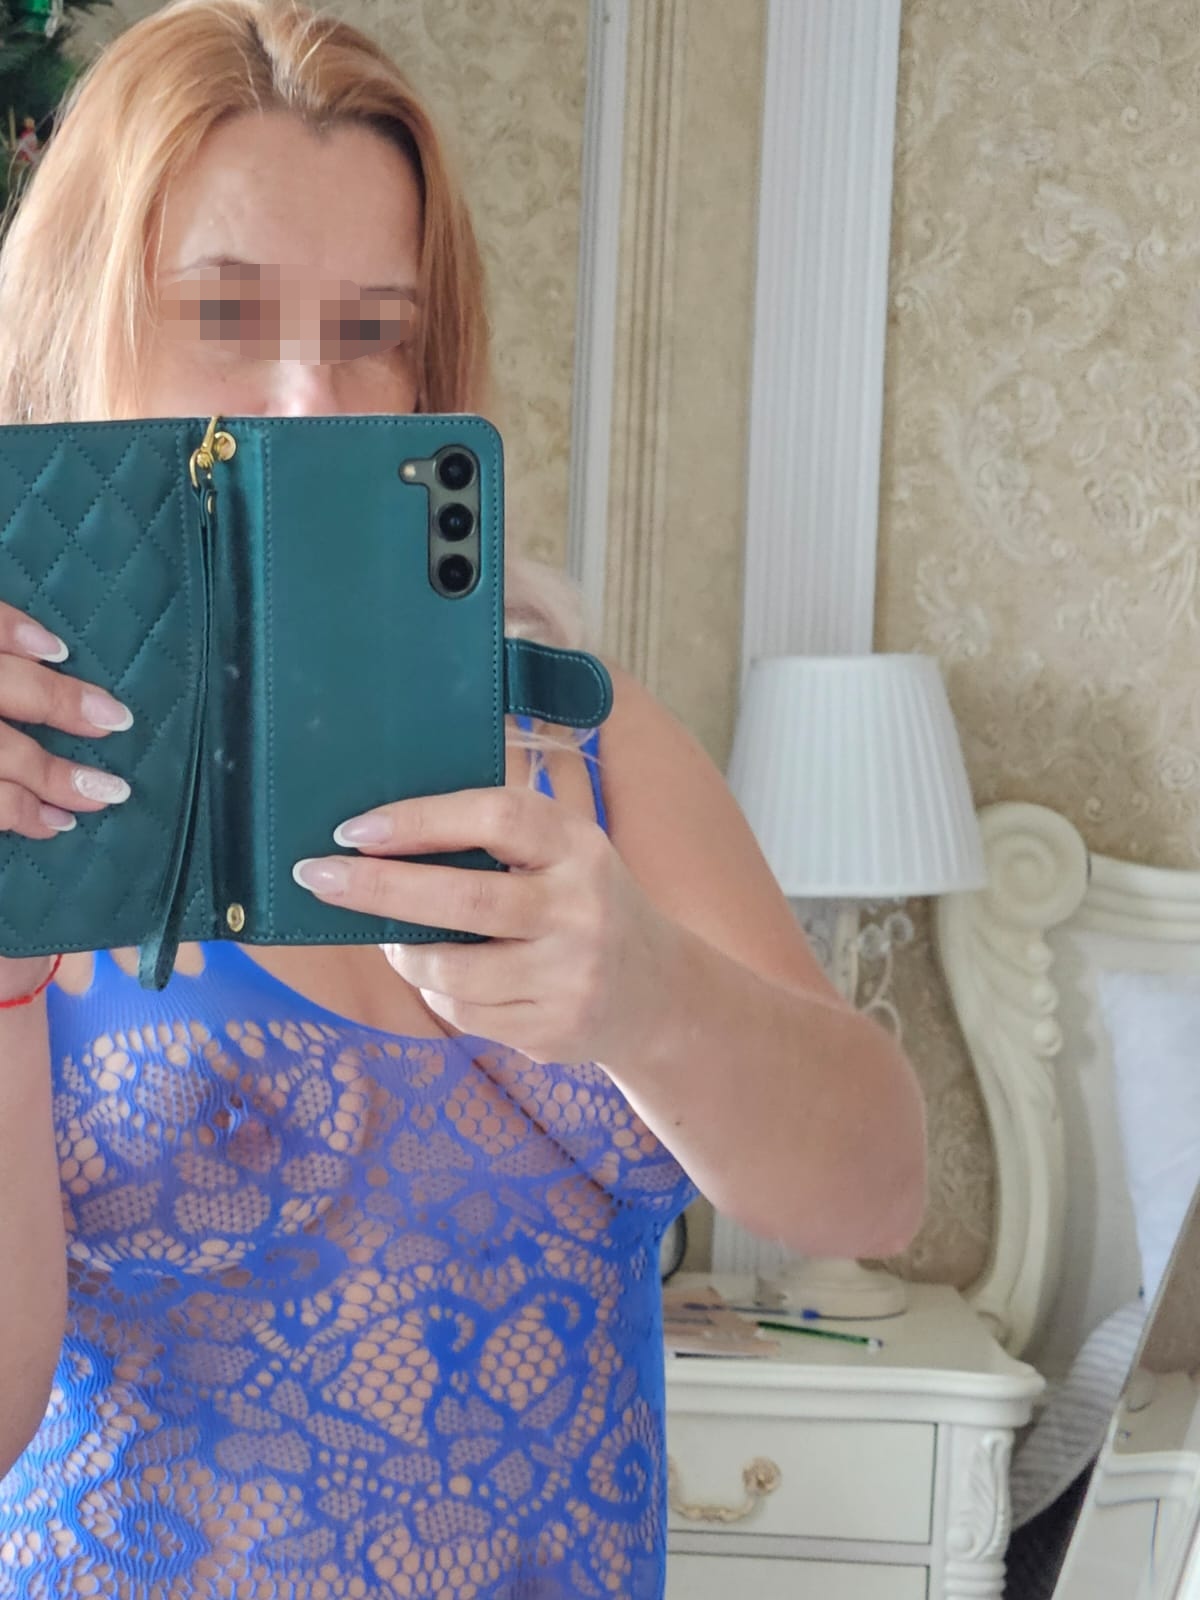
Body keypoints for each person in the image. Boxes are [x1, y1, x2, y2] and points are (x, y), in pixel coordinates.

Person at [0, 1, 927, 1594]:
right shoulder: (22, 776)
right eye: (224, 311)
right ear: (78, 323)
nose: (314, 397)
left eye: (374, 328)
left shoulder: (583, 738)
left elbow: (878, 1191)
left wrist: (649, 996)